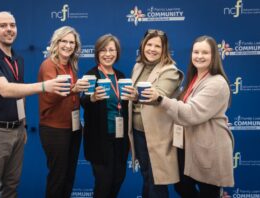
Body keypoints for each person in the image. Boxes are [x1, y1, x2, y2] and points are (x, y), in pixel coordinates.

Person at [0, 11, 66, 198]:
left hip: (16, 131)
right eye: (3, 25)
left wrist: (22, 124)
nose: (9, 29)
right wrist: (44, 86)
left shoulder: (18, 59)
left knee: (11, 187)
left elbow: (19, 94)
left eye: (12, 25)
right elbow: (6, 90)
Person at [156, 35, 234, 197]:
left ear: (214, 56)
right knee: (181, 187)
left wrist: (159, 99)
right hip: (189, 146)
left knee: (208, 192)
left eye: (205, 53)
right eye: (196, 52)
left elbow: (191, 113)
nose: (199, 56)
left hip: (209, 150)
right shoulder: (195, 78)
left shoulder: (217, 83)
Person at [123, 29, 183, 198]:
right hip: (138, 132)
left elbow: (158, 95)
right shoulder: (138, 66)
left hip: (158, 135)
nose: (152, 49)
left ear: (164, 49)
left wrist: (135, 95)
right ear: (143, 46)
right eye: (149, 44)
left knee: (157, 182)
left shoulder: (170, 71)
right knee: (147, 177)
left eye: (158, 46)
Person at [38, 26, 89, 198]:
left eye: (72, 43)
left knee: (69, 176)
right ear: (56, 43)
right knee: (57, 177)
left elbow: (71, 98)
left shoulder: (70, 66)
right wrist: (75, 89)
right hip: (54, 130)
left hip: (73, 128)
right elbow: (52, 96)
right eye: (64, 41)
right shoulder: (48, 65)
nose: (68, 45)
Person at [80, 34, 129, 198]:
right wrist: (92, 97)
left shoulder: (121, 76)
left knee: (118, 179)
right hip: (99, 140)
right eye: (103, 50)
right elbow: (83, 100)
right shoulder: (91, 75)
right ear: (97, 53)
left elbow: (125, 105)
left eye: (111, 50)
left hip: (120, 139)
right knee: (103, 183)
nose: (108, 54)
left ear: (117, 53)